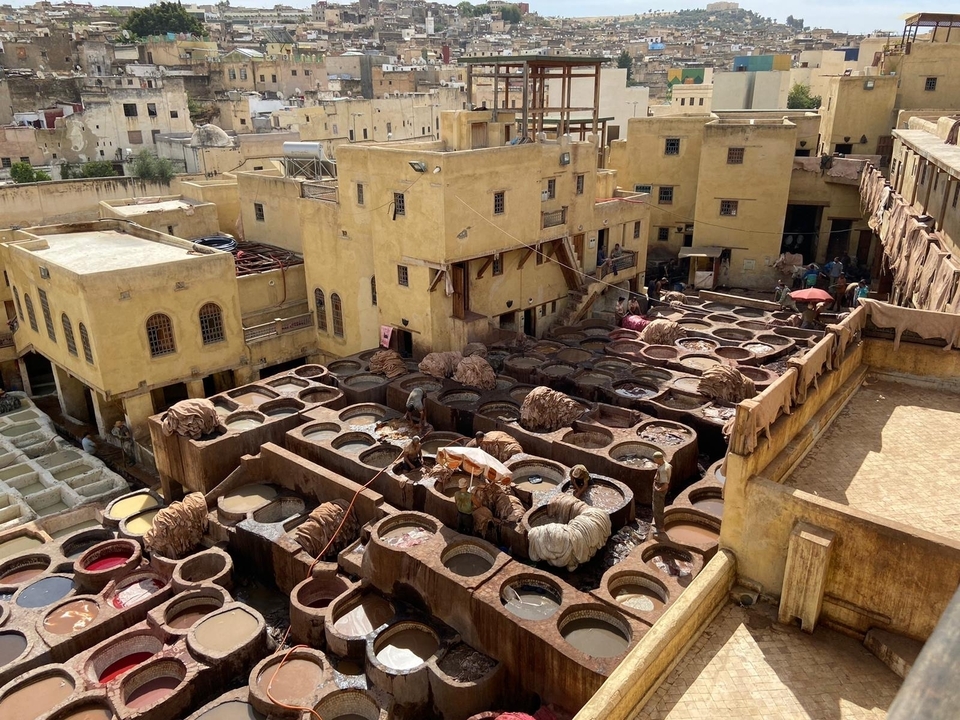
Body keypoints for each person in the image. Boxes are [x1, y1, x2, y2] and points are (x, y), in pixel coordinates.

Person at [652, 451, 672, 536]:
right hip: (659, 486)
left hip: (660, 489)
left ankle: (660, 529)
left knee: (658, 509)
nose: (654, 461)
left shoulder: (663, 470)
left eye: (655, 459)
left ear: (659, 459)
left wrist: (657, 489)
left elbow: (665, 485)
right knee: (656, 507)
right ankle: (657, 524)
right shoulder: (666, 464)